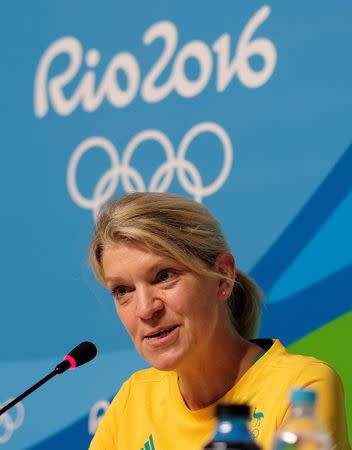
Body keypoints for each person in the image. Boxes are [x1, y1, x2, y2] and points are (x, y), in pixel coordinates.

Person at [88, 192, 350, 450]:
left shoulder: (301, 389)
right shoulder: (132, 401)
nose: (145, 309)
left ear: (223, 277)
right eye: (123, 290)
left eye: (164, 275)